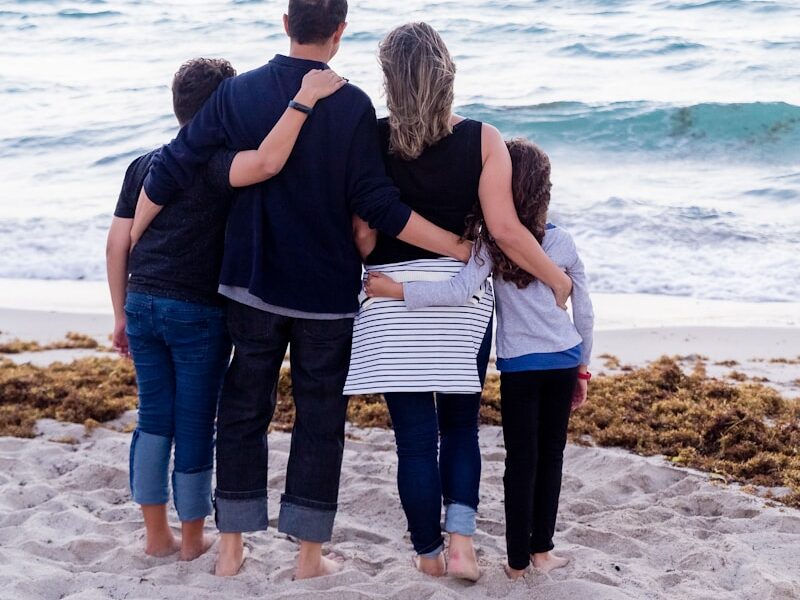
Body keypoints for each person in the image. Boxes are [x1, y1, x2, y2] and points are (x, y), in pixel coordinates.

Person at [128, 0, 478, 580]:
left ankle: (231, 549)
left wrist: (135, 236)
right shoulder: (353, 104)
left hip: (250, 283)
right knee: (319, 421)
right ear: (340, 31)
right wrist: (455, 246)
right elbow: (376, 204)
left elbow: (176, 163)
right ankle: (308, 559)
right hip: (325, 294)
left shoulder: (236, 93)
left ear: (286, 23)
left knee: (242, 411)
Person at [343, 23, 573, 581]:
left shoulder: (371, 138)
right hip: (461, 301)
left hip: (392, 300)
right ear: (447, 73)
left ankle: (428, 554)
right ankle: (463, 544)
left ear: (390, 80)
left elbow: (363, 238)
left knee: (415, 441)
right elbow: (506, 230)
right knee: (461, 427)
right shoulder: (484, 139)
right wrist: (555, 280)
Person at [106, 58, 346, 561]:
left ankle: (156, 536)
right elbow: (267, 162)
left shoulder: (144, 164)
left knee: (154, 419)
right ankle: (193, 540)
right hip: (197, 313)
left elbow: (116, 244)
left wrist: (120, 315)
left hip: (142, 303)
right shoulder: (217, 165)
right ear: (225, 107)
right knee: (195, 423)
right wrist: (304, 100)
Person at [365, 138, 595, 580]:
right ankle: (542, 551)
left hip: (519, 368)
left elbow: (457, 291)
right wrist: (583, 366)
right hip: (564, 360)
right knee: (552, 457)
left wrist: (396, 290)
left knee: (520, 461)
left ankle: (515, 564)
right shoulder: (561, 242)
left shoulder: (491, 245)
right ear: (544, 191)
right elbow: (583, 311)